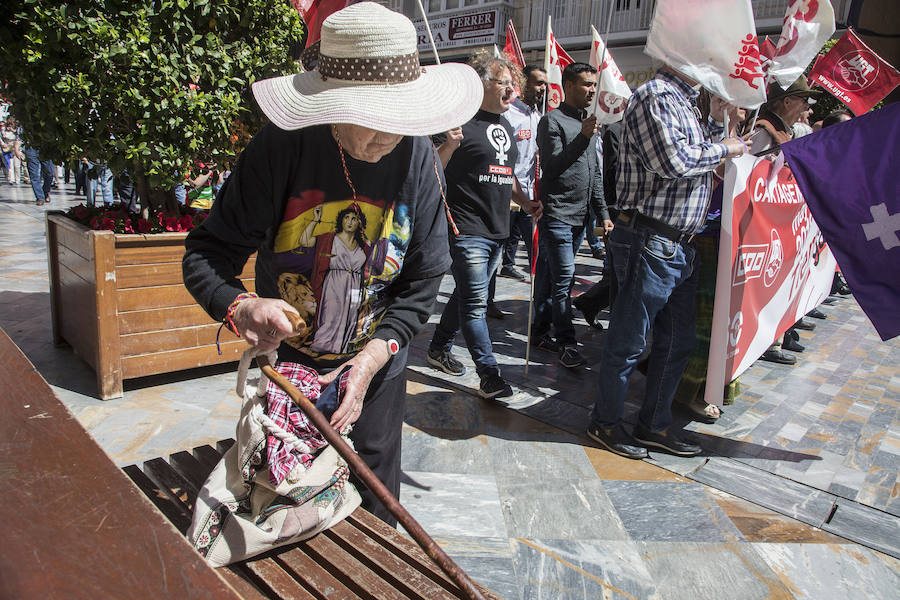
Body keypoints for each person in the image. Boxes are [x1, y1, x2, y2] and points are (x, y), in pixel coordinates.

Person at [182, 2, 483, 526]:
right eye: (372, 118)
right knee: (285, 502)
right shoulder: (281, 149)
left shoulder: (415, 156)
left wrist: (371, 360)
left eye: (401, 117)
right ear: (329, 104)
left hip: (375, 366)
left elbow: (423, 280)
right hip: (291, 374)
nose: (389, 135)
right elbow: (207, 254)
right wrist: (243, 307)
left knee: (374, 507)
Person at [586, 63, 749, 459]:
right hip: (650, 238)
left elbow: (703, 163)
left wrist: (720, 121)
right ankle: (604, 423)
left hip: (678, 243)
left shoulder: (687, 102)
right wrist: (728, 146)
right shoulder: (656, 95)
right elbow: (674, 162)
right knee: (629, 339)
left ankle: (653, 425)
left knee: (678, 342)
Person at [426, 50, 539, 399]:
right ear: (480, 86)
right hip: (466, 229)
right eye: (502, 83)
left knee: (464, 296)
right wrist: (449, 144)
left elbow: (508, 178)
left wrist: (527, 202)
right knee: (475, 305)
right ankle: (490, 375)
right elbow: (430, 174)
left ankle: (437, 349)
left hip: (498, 231)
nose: (511, 91)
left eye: (513, 84)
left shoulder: (505, 126)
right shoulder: (456, 124)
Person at [531, 62, 611, 369]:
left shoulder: (587, 123)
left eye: (594, 84)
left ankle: (539, 331)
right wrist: (583, 138)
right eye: (586, 84)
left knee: (551, 277)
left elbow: (594, 175)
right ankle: (566, 341)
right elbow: (550, 167)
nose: (592, 89)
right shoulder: (552, 121)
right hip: (557, 215)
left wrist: (602, 213)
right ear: (567, 85)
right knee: (565, 279)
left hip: (581, 218)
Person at [749, 77, 822, 363]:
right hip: (763, 225)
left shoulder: (784, 130)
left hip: (778, 225)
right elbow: (752, 175)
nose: (808, 105)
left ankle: (774, 340)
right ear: (788, 101)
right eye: (804, 99)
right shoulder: (764, 131)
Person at [498, 64, 547, 281]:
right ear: (524, 83)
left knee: (537, 249)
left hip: (530, 195)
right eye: (538, 83)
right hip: (507, 194)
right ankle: (487, 303)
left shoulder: (538, 117)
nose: (542, 88)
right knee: (495, 252)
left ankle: (538, 302)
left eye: (545, 84)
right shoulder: (508, 113)